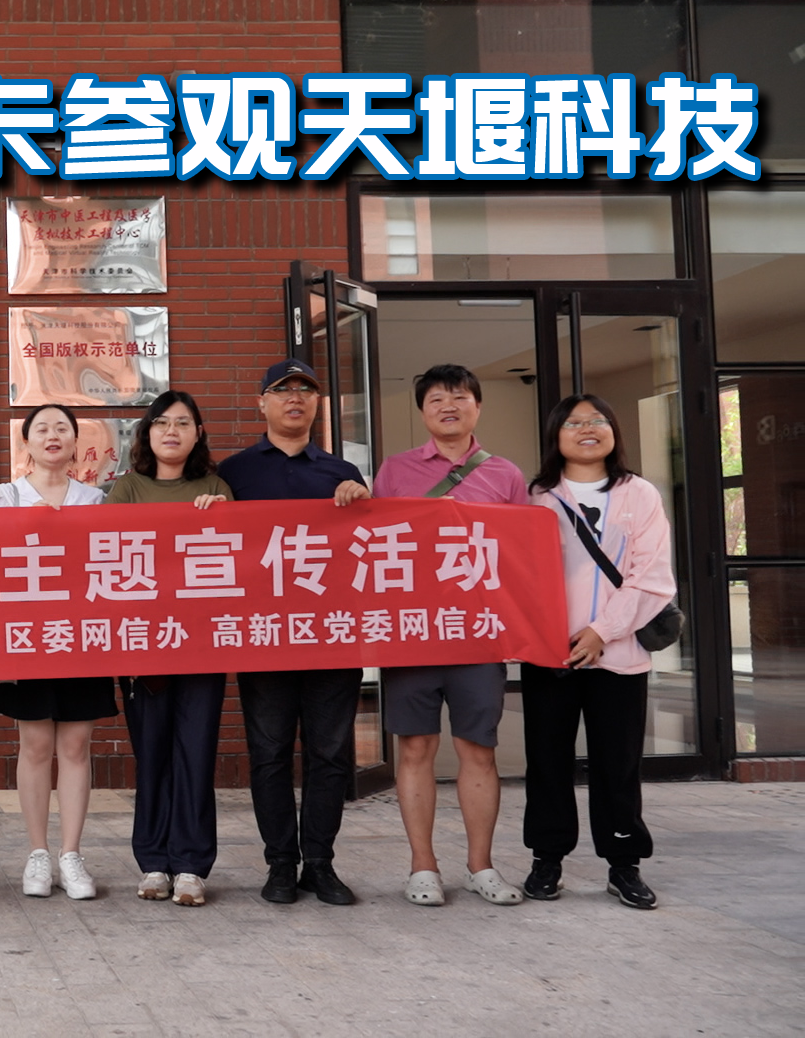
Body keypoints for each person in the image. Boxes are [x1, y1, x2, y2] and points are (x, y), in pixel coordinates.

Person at [371, 364, 530, 908]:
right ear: (422, 411)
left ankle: (481, 866)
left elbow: (522, 557)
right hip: (412, 634)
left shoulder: (506, 475)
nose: (448, 406)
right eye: (436, 398)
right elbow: (372, 546)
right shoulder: (394, 471)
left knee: (478, 750)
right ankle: (423, 867)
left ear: (477, 407)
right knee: (415, 748)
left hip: (478, 635)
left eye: (459, 397)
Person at [216, 358, 370, 907]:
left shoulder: (342, 474)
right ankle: (281, 863)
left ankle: (320, 863)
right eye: (283, 390)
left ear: (317, 404)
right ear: (263, 403)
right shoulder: (233, 473)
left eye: (306, 390)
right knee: (270, 754)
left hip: (332, 636)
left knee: (330, 755)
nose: (295, 398)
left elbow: (370, 548)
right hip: (263, 637)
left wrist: (362, 502)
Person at [522, 394, 675, 910]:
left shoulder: (640, 494)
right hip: (550, 655)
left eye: (597, 420)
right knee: (547, 761)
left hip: (620, 654)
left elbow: (652, 577)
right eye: (573, 422)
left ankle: (624, 864)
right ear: (555, 435)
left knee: (618, 763)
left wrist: (601, 632)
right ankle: (547, 859)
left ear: (613, 431)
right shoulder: (536, 497)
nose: (587, 428)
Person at [0, 403, 112, 901]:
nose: (52, 436)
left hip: (81, 639)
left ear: (75, 442)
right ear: (27, 442)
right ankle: (37, 853)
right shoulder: (2, 498)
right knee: (34, 746)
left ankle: (71, 854)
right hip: (24, 640)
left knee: (76, 746)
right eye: (42, 429)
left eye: (62, 428)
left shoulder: (96, 500)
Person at [107, 391, 231, 907]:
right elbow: (107, 556)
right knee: (152, 754)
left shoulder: (216, 488)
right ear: (147, 433)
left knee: (196, 753)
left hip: (203, 643)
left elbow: (239, 561)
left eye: (183, 423)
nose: (172, 431)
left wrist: (224, 517)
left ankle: (192, 865)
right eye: (162, 423)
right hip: (145, 644)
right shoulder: (127, 488)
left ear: (198, 433)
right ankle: (154, 861)